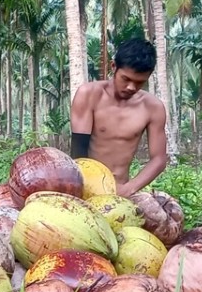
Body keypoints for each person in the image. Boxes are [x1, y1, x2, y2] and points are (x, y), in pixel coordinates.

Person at [70, 37, 169, 198]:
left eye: (139, 82)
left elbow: (159, 159)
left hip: (122, 192)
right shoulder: (89, 95)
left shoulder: (153, 107)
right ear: (113, 66)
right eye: (126, 79)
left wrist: (130, 188)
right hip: (85, 189)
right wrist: (90, 189)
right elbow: (79, 153)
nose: (131, 87)